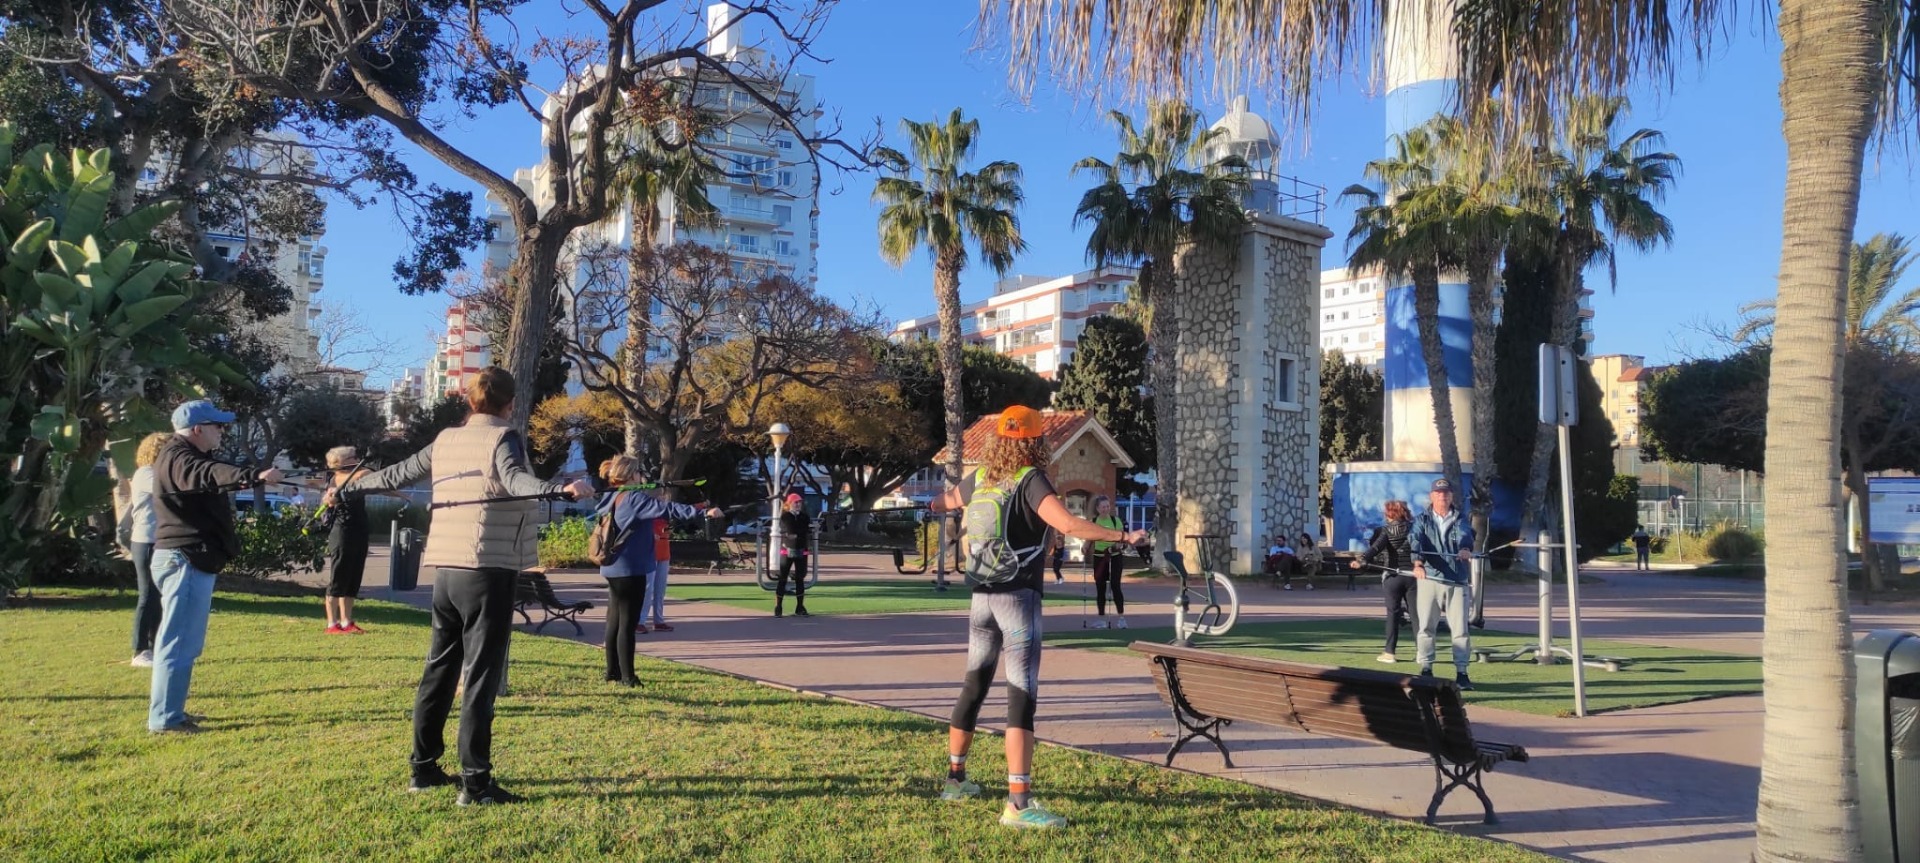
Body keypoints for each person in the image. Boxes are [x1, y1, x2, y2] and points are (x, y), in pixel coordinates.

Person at [340, 367, 594, 805]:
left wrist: (350, 488)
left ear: (470, 401)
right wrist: (560, 490)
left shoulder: (445, 439)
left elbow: (397, 474)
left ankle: (423, 769)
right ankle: (475, 784)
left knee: (439, 668)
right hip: (488, 570)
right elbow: (514, 481)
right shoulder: (503, 437)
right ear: (510, 403)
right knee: (479, 677)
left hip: (447, 570)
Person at [929, 405, 1149, 829]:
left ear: (998, 439)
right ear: (1035, 441)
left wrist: (935, 506)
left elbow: (945, 501)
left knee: (974, 686)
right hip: (1017, 599)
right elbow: (1068, 524)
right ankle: (1018, 803)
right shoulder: (1030, 480)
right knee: (1021, 695)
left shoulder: (984, 477)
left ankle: (955, 779)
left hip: (981, 599)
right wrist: (1124, 535)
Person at [148, 400, 284, 734]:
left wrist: (247, 477)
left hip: (187, 557)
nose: (222, 431)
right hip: (185, 558)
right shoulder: (179, 457)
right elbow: (209, 474)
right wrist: (254, 475)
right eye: (218, 426)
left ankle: (171, 711)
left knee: (184, 642)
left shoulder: (182, 456)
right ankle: (166, 719)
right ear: (197, 429)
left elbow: (211, 474)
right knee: (178, 642)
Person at [592, 456, 720, 685]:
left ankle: (612, 672)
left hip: (611, 566)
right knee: (627, 624)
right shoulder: (633, 498)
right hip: (631, 569)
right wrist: (703, 512)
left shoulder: (611, 496)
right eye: (639, 473)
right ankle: (628, 678)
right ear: (632, 475)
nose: (642, 477)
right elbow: (666, 509)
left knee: (614, 622)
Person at [1410, 478, 1477, 690]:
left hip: (1457, 580)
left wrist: (1465, 549)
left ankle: (1462, 672)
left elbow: (1466, 534)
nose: (1442, 496)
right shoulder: (1422, 519)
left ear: (1451, 496)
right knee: (1426, 627)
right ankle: (1426, 668)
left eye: (1446, 493)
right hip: (1430, 579)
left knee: (1460, 629)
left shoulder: (1460, 518)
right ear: (1432, 496)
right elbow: (1416, 540)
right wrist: (1418, 563)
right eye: (1438, 493)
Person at [119, 432, 172, 668]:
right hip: (146, 540)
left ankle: (156, 645)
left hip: (158, 540)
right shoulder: (146, 473)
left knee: (159, 596)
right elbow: (168, 489)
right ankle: (140, 650)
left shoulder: (157, 473)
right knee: (148, 595)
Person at [1351, 500, 1416, 664]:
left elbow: (1375, 548)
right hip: (1413, 575)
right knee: (1416, 615)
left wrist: (1361, 560)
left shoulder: (1386, 530)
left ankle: (1389, 653)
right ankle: (1422, 652)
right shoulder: (1414, 528)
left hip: (1392, 576)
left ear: (1390, 513)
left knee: (1393, 614)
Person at [319, 446, 375, 635]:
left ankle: (346, 621)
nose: (357, 459)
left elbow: (379, 482)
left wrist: (400, 494)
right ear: (342, 462)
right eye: (354, 456)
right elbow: (327, 500)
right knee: (339, 577)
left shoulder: (360, 475)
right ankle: (331, 624)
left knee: (353, 579)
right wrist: (329, 498)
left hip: (360, 530)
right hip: (342, 533)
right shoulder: (337, 479)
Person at [1086, 495, 1128, 630]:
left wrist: (1116, 546)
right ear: (1098, 508)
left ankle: (1121, 619)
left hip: (1114, 556)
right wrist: (1085, 547)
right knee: (1100, 588)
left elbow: (1122, 539)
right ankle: (1101, 619)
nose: (1106, 509)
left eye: (1107, 506)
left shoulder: (1116, 521)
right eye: (1103, 507)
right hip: (1099, 557)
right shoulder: (1093, 522)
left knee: (1115, 586)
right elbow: (1089, 539)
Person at [774, 493, 811, 617]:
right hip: (787, 550)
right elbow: (789, 529)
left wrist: (796, 534)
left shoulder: (804, 517)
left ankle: (800, 607)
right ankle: (778, 607)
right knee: (782, 578)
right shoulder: (785, 516)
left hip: (801, 549)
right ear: (789, 504)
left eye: (799, 502)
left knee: (800, 578)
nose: (798, 504)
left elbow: (804, 530)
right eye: (795, 502)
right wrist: (795, 533)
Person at [646, 517, 673, 632]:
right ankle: (640, 621)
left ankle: (659, 621)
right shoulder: (645, 510)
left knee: (660, 589)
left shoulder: (665, 512)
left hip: (664, 551)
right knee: (647, 589)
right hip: (649, 552)